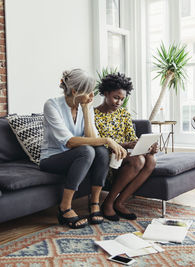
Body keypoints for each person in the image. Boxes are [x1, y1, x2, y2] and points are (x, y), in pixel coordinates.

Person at [40, 69, 127, 229]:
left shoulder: (85, 106)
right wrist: (108, 140)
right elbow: (69, 142)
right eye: (89, 93)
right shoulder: (51, 105)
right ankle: (64, 207)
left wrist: (86, 112)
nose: (92, 97)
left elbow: (93, 139)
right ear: (74, 91)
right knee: (87, 150)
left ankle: (94, 202)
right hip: (52, 158)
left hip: (77, 156)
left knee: (100, 150)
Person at [95, 73, 158, 221]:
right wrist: (124, 145)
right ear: (105, 93)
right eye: (116, 97)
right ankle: (108, 203)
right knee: (138, 161)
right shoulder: (93, 115)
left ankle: (120, 202)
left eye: (122, 99)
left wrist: (146, 146)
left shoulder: (123, 113)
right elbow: (96, 142)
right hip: (106, 158)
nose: (119, 102)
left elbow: (131, 137)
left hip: (125, 156)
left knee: (151, 160)